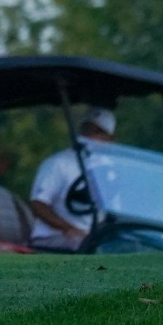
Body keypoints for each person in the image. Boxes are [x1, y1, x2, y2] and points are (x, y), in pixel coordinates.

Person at [28, 107, 116, 252]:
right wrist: (68, 228)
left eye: (98, 132)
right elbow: (38, 204)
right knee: (90, 248)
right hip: (53, 238)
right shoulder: (58, 163)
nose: (90, 136)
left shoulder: (110, 170)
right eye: (87, 129)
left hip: (94, 237)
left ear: (110, 140)